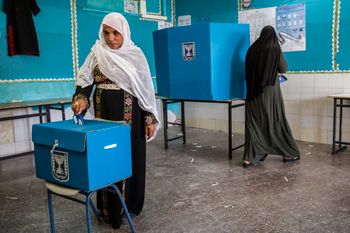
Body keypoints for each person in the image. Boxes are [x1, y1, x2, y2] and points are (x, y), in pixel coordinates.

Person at [71, 12, 160, 228]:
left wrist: (150, 119)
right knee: (106, 159)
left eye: (116, 33)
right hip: (104, 119)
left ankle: (129, 206)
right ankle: (107, 208)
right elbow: (84, 82)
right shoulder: (97, 52)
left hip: (133, 119)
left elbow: (144, 91)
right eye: (107, 33)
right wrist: (81, 99)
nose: (111, 38)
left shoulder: (136, 55)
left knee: (131, 159)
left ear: (124, 33)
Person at [243, 25, 300, 168]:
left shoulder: (251, 50)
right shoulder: (274, 48)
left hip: (252, 93)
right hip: (270, 92)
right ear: (273, 35)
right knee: (275, 119)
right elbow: (284, 68)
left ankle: (250, 157)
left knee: (254, 123)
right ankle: (288, 153)